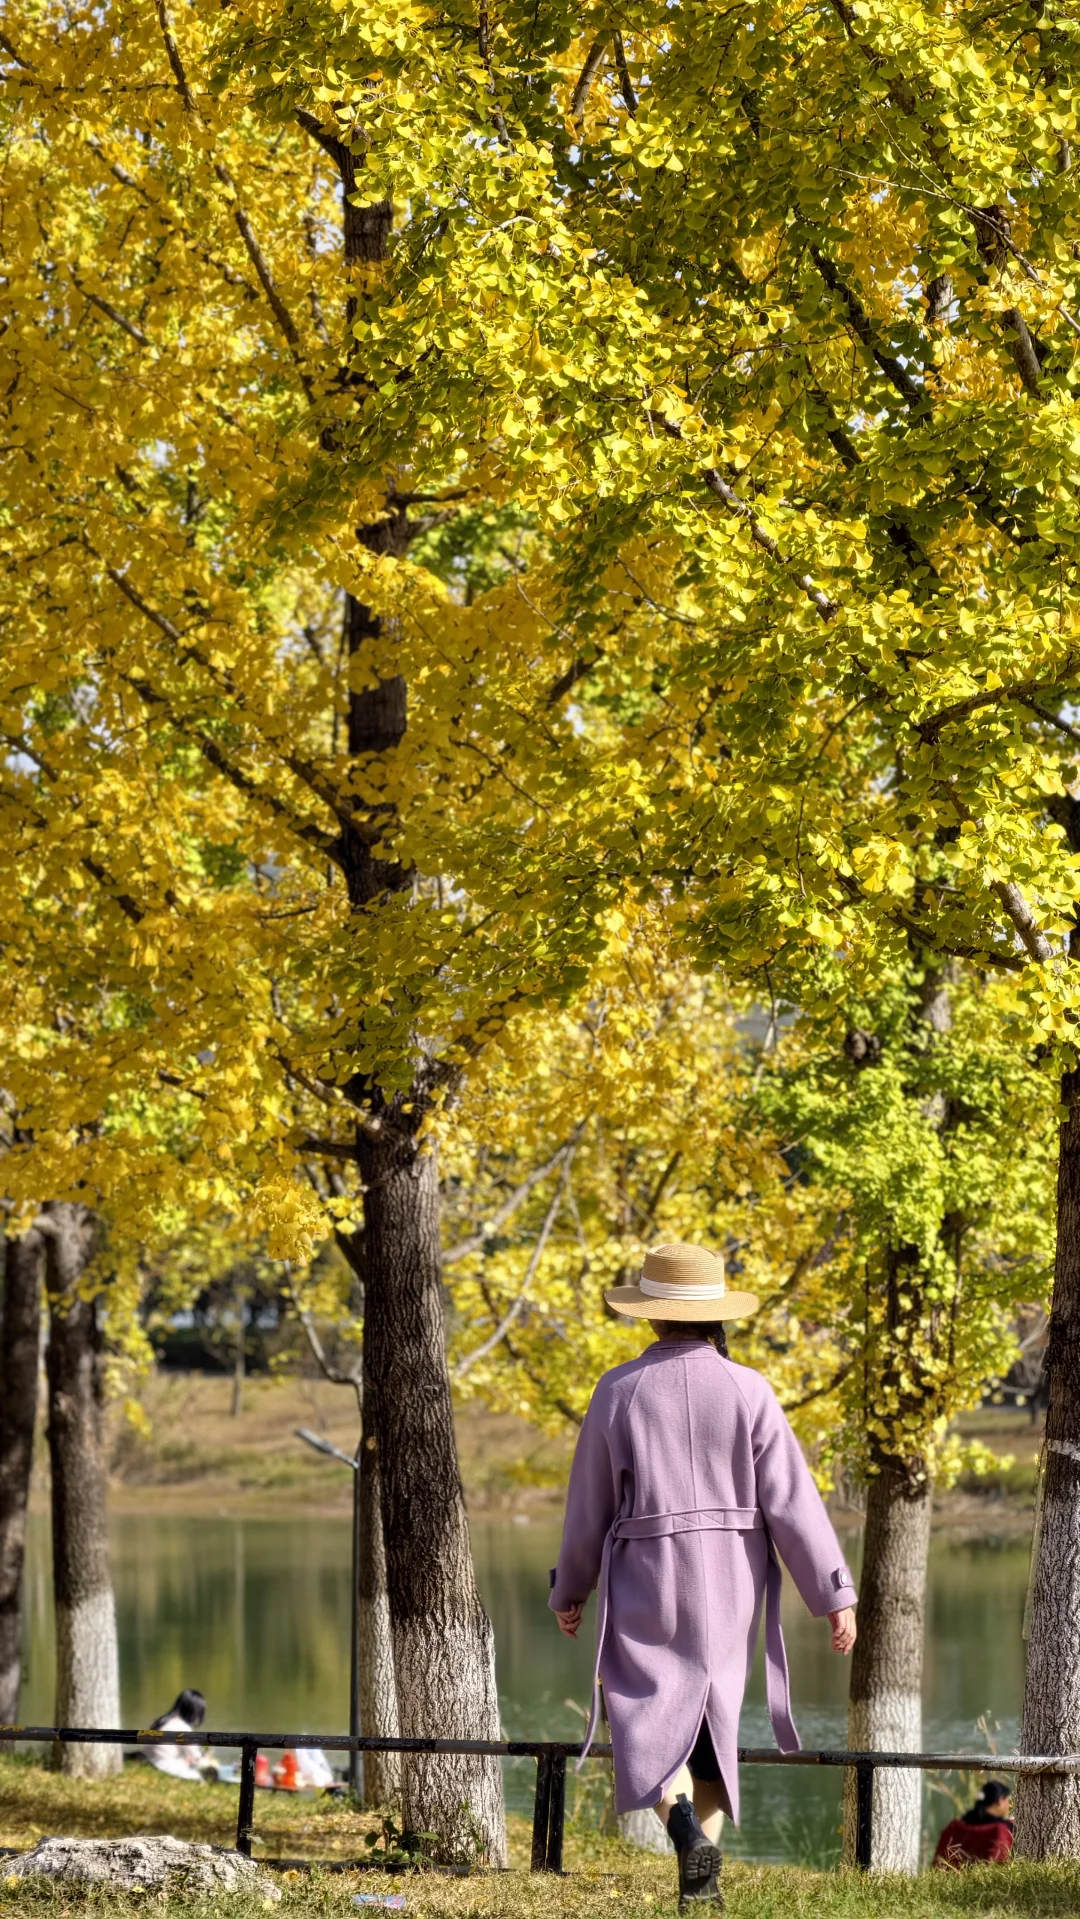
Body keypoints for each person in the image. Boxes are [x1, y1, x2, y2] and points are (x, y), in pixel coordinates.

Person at [548, 1242, 858, 1909]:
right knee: (714, 1728)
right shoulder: (751, 1389)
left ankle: (690, 1841)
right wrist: (833, 1593)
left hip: (645, 1576)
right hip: (730, 1583)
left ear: (652, 1317)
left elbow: (588, 1506)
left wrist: (569, 1588)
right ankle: (702, 1877)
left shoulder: (617, 1390)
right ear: (716, 1312)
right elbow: (792, 1501)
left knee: (644, 1720)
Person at [933, 1781, 1014, 1866]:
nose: (1008, 1806)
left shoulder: (956, 1827)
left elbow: (941, 1859)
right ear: (1000, 1801)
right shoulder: (1000, 1829)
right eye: (1007, 1801)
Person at [144, 1688, 209, 1780]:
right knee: (201, 1777)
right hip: (164, 1767)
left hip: (148, 1763)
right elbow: (197, 1758)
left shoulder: (160, 1721)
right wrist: (207, 1760)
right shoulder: (182, 1727)